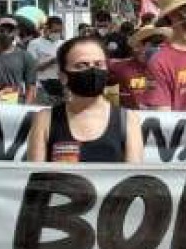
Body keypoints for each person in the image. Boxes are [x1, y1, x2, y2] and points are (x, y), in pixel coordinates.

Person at [26, 35, 142, 164]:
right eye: (82, 65)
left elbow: (133, 179)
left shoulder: (128, 120)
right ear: (63, 77)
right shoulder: (44, 120)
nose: (92, 70)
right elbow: (35, 176)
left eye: (98, 64)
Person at [0, 17, 37, 103]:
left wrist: (26, 109)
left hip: (14, 106)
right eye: (2, 30)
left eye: (10, 30)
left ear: (16, 32)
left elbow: (31, 87)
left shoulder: (25, 56)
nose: (5, 33)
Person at [28, 16, 65, 102]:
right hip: (42, 83)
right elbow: (31, 67)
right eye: (55, 31)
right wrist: (51, 61)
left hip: (59, 83)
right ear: (47, 29)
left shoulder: (63, 44)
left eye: (59, 31)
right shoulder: (34, 44)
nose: (57, 34)